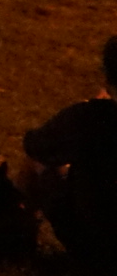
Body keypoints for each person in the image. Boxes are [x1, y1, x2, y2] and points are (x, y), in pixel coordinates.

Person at [24, 36, 117, 272]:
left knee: (41, 169)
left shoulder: (89, 118)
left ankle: (21, 233)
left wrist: (91, 108)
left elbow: (35, 146)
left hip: (100, 249)